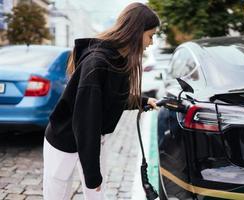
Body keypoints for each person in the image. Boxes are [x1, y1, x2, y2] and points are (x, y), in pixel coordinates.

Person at [43, 2, 160, 199]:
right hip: (64, 139)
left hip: (93, 139)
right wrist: (92, 175)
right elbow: (86, 122)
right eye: (151, 35)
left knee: (97, 195)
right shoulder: (97, 63)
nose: (151, 42)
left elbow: (111, 98)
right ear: (135, 32)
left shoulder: (119, 60)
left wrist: (142, 101)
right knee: (57, 195)